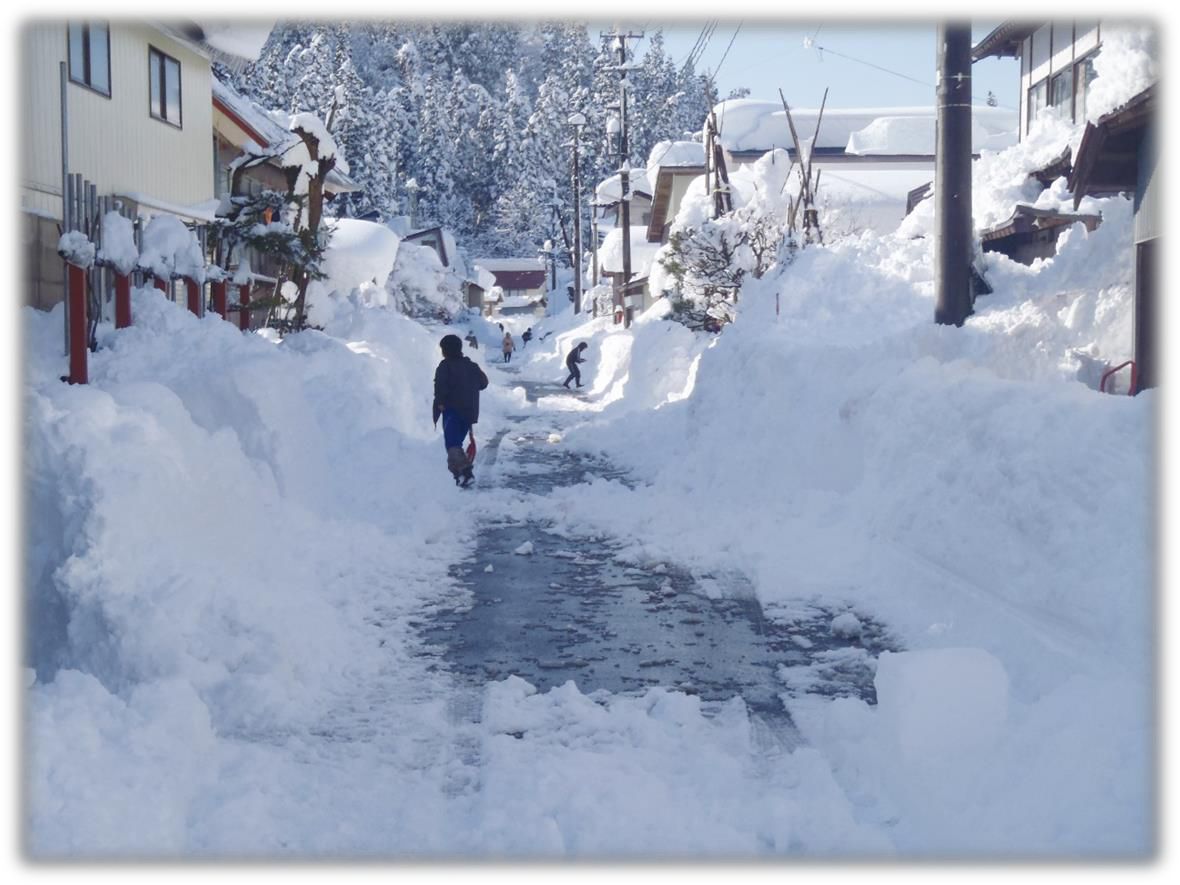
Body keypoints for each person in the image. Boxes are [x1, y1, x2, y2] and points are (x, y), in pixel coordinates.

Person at [433, 334, 489, 487]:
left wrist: (440, 403)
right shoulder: (471, 365)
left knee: (452, 443)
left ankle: (465, 472)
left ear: (445, 350)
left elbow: (440, 388)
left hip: (452, 410)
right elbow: (483, 383)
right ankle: (460, 475)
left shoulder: (445, 366)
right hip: (469, 411)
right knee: (456, 442)